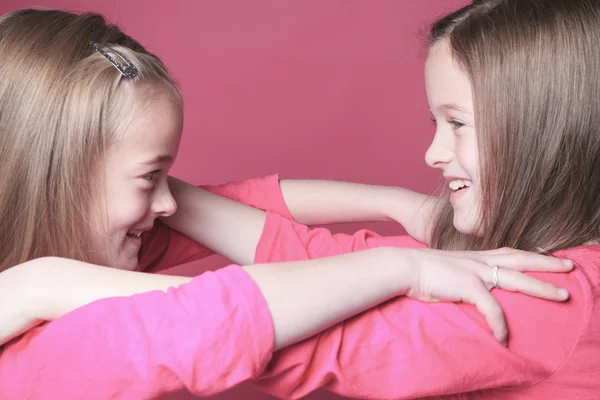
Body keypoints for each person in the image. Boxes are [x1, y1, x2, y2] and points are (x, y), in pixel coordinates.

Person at [1, 0, 596, 398]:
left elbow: (287, 286)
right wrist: (398, 256)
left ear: (549, 129)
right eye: (150, 177)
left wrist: (43, 280)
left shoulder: (555, 288)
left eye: (457, 123)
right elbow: (230, 312)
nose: (432, 155)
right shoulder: (51, 342)